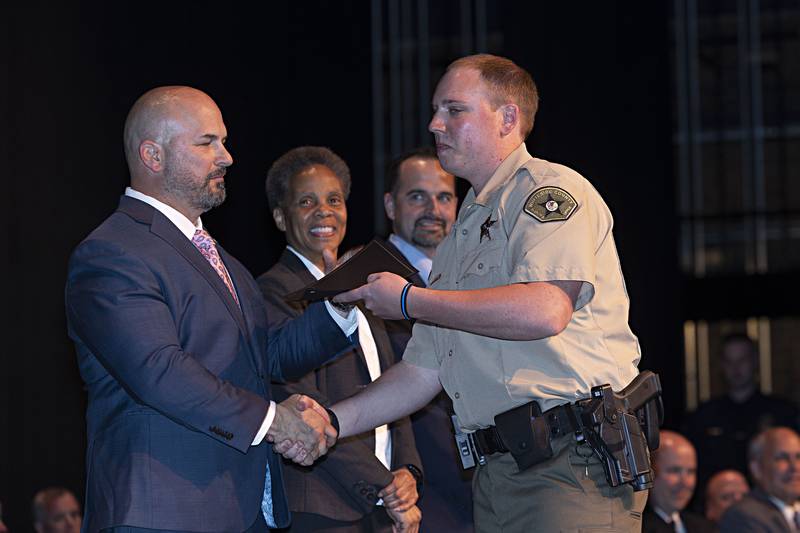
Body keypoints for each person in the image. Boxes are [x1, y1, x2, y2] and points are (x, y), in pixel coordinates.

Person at [313, 53, 649, 531]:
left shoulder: (549, 192)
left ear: (507, 117)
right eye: (435, 110)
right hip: (497, 475)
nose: (435, 123)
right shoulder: (460, 236)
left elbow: (547, 309)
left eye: (454, 110)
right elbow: (422, 371)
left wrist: (409, 300)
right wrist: (328, 423)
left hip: (570, 467)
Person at [65, 86, 356, 533]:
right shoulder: (112, 251)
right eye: (207, 143)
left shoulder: (224, 261)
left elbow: (265, 359)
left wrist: (339, 303)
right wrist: (274, 420)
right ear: (153, 155)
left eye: (224, 141)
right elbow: (159, 371)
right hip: (165, 513)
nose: (227, 157)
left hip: (245, 511)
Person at [256, 146, 422, 532]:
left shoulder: (362, 286)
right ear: (281, 217)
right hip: (323, 507)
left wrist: (409, 472)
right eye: (306, 201)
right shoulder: (272, 292)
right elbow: (304, 407)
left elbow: (396, 387)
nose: (324, 211)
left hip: (379, 508)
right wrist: (386, 487)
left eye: (333, 199)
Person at [382, 148, 472, 532]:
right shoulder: (365, 280)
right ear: (390, 205)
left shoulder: (477, 279)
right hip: (416, 497)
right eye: (417, 196)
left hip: (486, 492)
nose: (432, 209)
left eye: (444, 197)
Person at [684, 333, 799, 498]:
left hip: (770, 500)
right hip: (718, 502)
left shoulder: (781, 413)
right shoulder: (704, 415)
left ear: (755, 361)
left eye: (742, 360)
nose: (736, 368)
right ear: (721, 365)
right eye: (729, 361)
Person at [719, 427, 800, 532]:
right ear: (757, 468)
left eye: (798, 457)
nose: (795, 467)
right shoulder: (744, 517)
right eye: (782, 458)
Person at [643, 431, 715, 532]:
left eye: (690, 472)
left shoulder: (706, 528)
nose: (685, 482)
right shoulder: (635, 528)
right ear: (650, 473)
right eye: (674, 471)